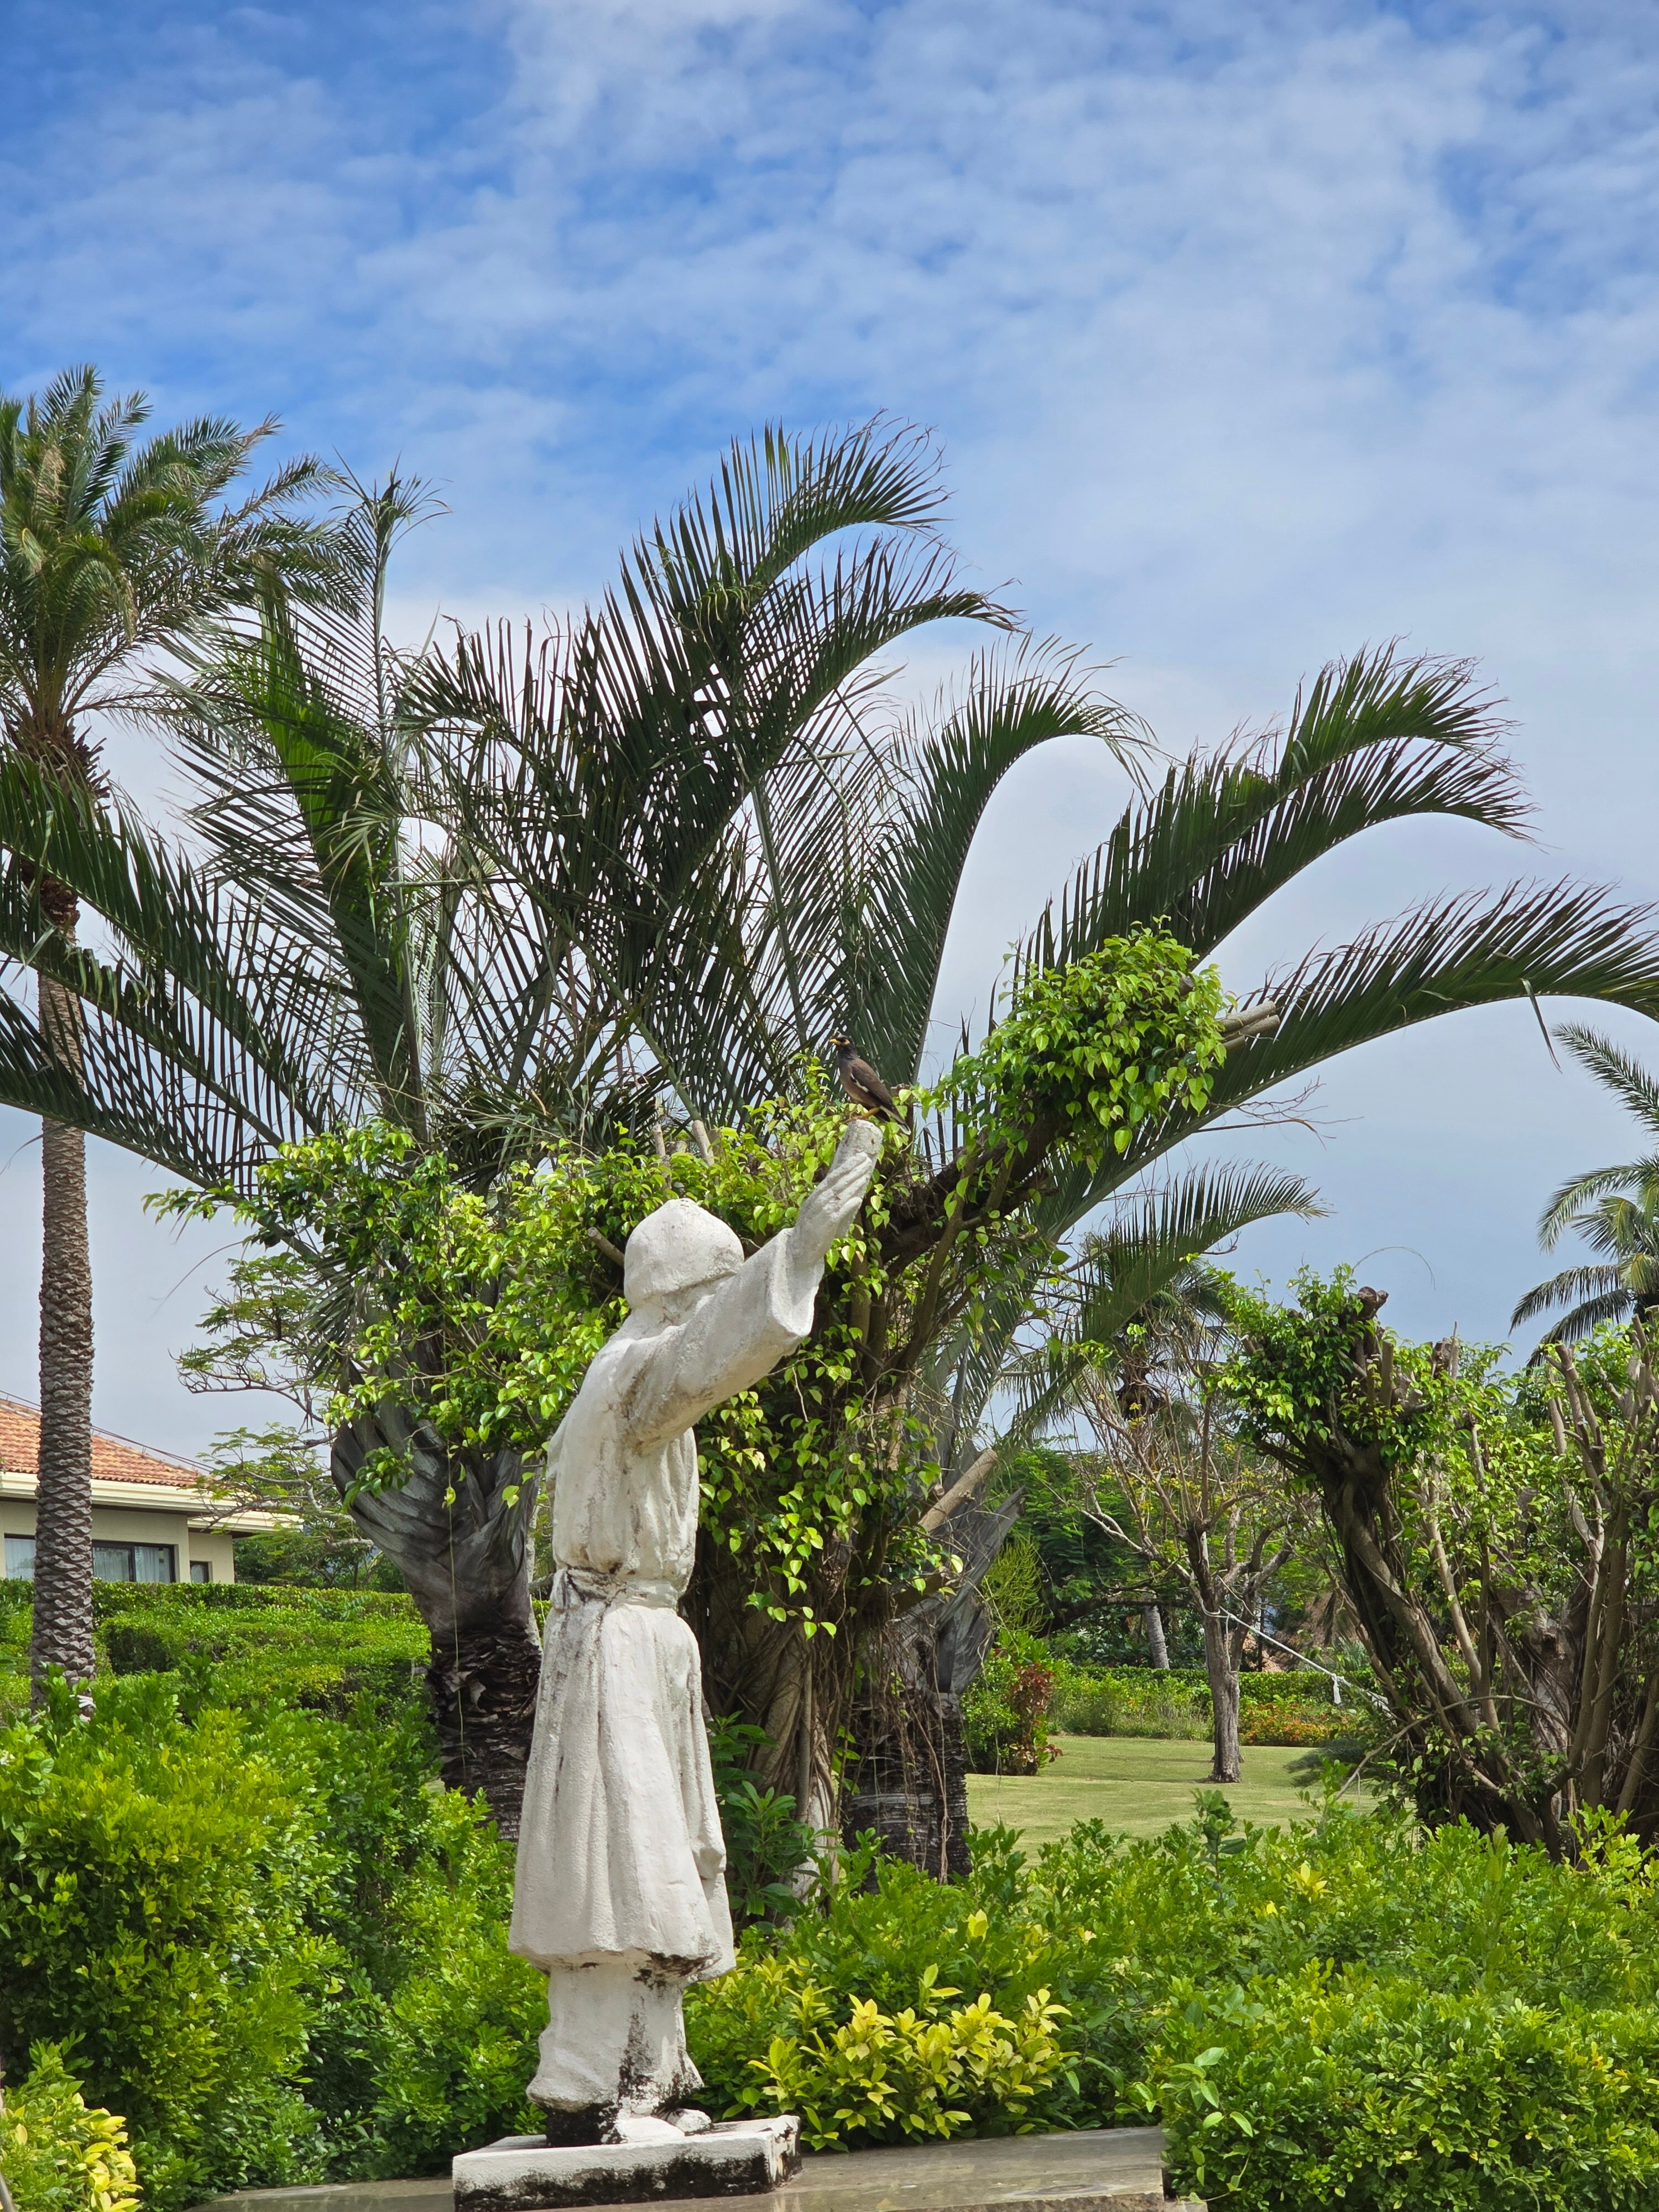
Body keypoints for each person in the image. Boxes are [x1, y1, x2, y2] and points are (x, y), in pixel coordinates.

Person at [509, 1117, 883, 2143]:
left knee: (650, 1863)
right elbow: (718, 1351)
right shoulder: (637, 1377)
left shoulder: (621, 1380)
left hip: (638, 1636)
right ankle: (588, 2083)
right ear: (683, 1297)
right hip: (620, 1639)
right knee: (616, 1870)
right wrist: (809, 1234)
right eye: (709, 1296)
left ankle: (652, 2076)